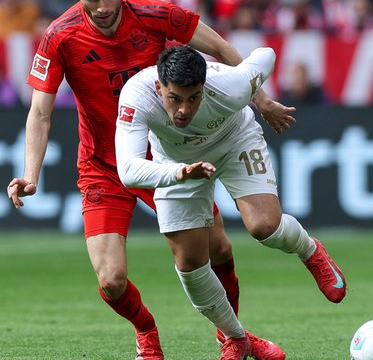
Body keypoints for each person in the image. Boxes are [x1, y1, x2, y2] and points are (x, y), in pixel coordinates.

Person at [6, 0, 296, 360]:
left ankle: (234, 337)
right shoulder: (59, 37)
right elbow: (39, 113)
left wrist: (260, 99)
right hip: (104, 167)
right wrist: (30, 174)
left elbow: (221, 49)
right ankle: (146, 331)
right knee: (111, 281)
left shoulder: (156, 14)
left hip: (165, 159)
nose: (102, 7)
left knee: (220, 251)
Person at [114, 45, 347, 359]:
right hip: (176, 164)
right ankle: (236, 338)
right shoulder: (136, 97)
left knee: (265, 226)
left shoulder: (230, 86)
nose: (184, 109)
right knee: (190, 264)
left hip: (233, 142)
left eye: (193, 97)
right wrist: (181, 172)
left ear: (204, 88)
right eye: (175, 98)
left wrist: (261, 100)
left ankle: (311, 251)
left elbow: (266, 55)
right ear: (159, 87)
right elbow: (128, 171)